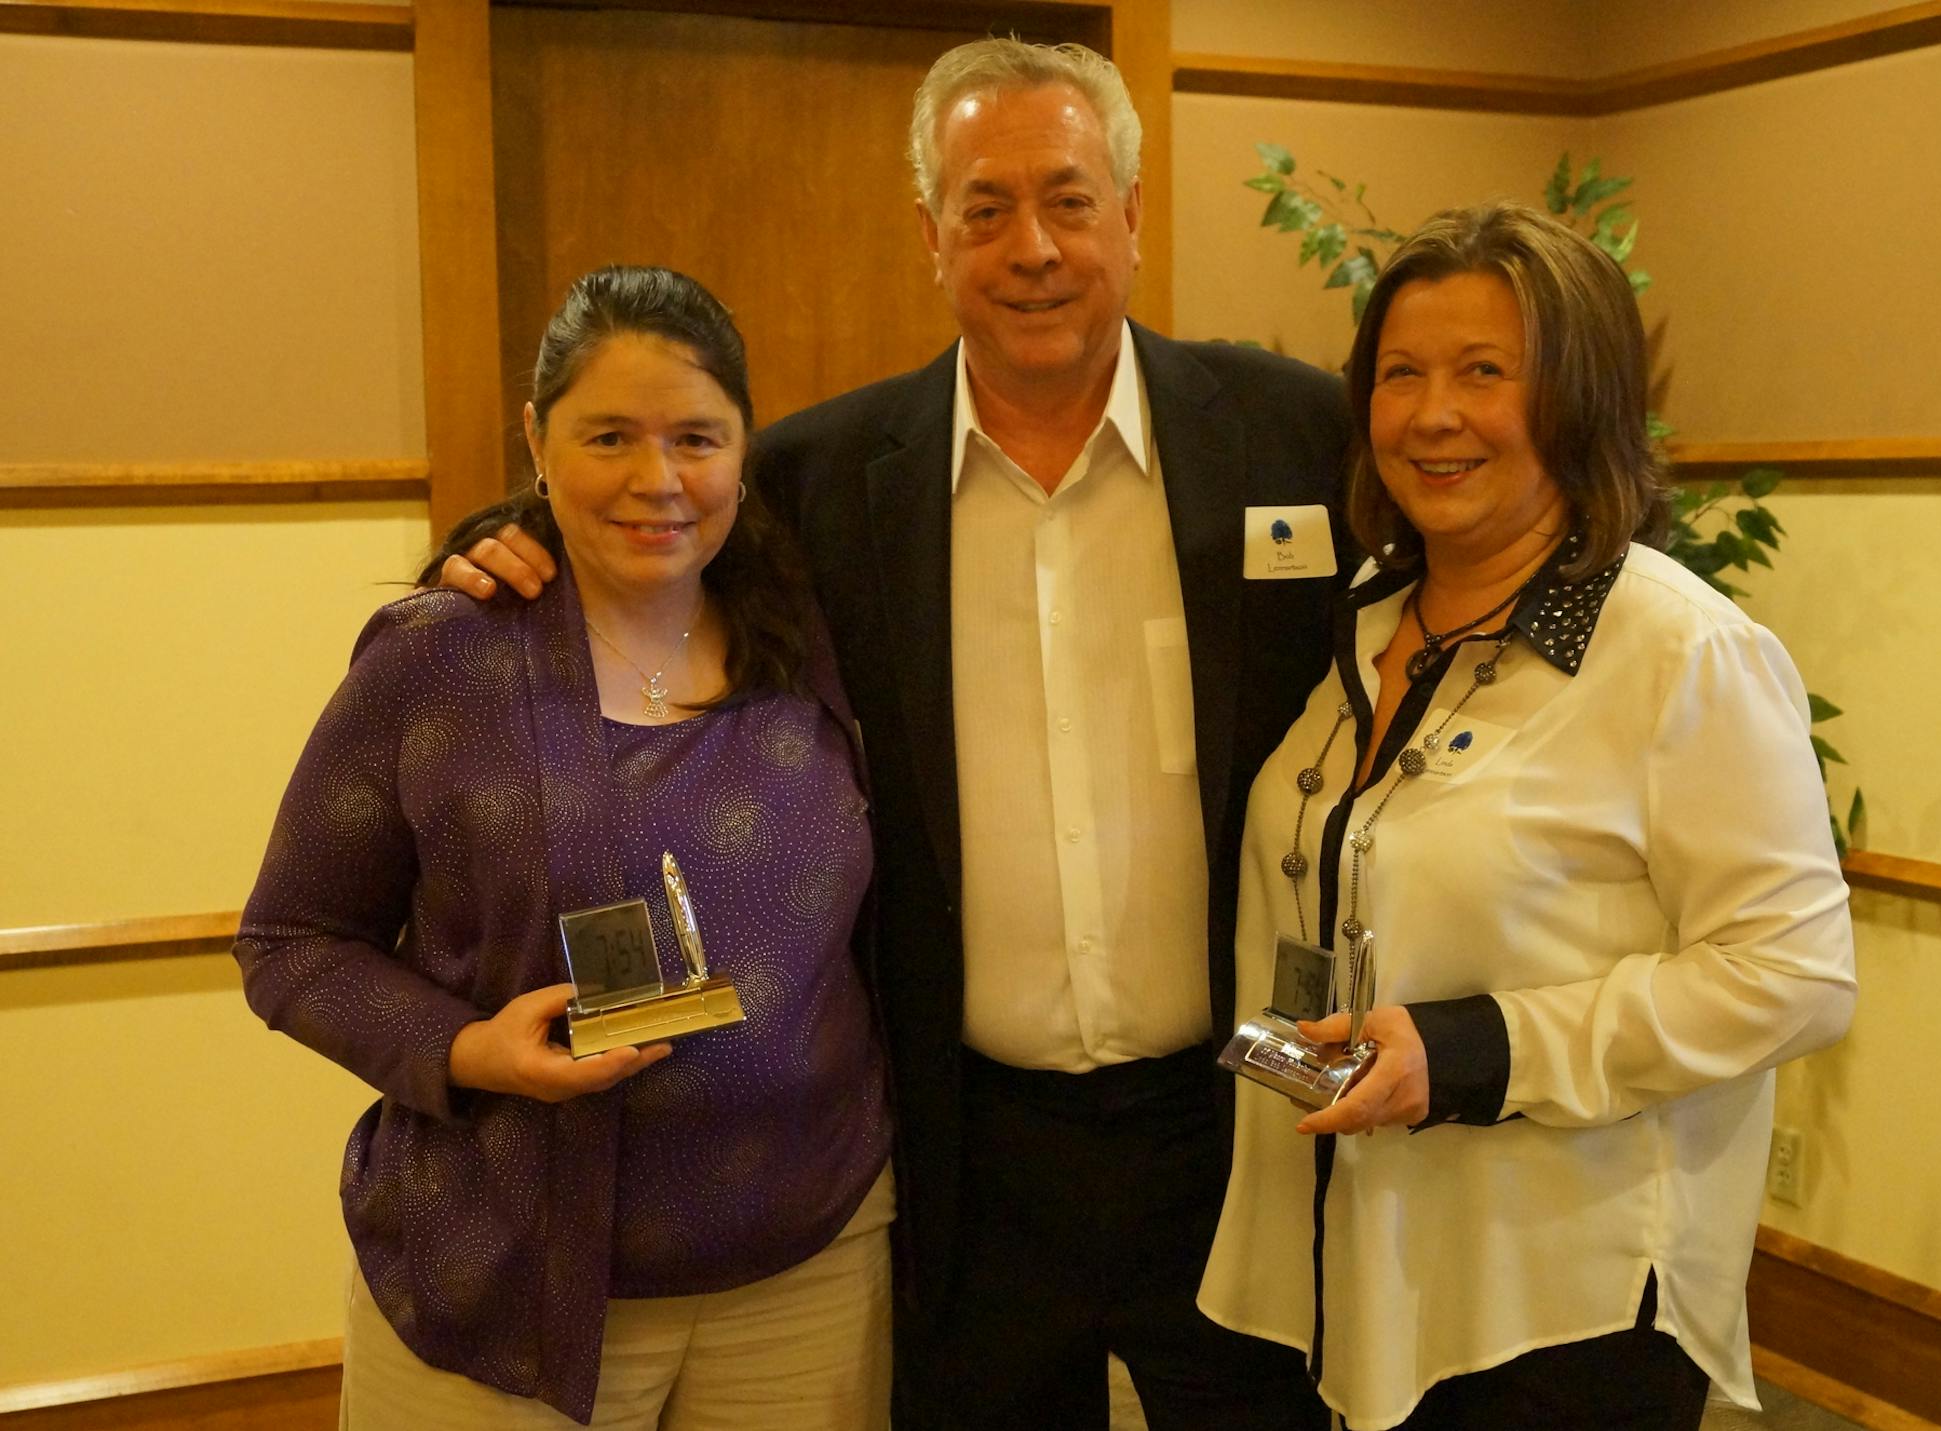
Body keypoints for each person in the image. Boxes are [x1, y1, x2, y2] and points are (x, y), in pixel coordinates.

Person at [438, 38, 1348, 1431]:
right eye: (985, 209)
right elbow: (643, 521)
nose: (1032, 246)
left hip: (1232, 1114)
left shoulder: (1290, 433)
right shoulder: (818, 478)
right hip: (958, 1144)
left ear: (1135, 216)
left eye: (1069, 199)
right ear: (931, 236)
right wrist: (500, 538)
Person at [1195, 202, 1858, 1430]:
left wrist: (1483, 1048)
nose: (1433, 414)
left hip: (1562, 1294)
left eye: (1484, 373)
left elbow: (1796, 975)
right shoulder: (1371, 615)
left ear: (1579, 400)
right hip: (1368, 1252)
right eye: (1401, 374)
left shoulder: (1677, 650)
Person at [237, 266, 893, 1429]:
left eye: (697, 437)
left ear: (747, 448)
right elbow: (292, 940)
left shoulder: (814, 628)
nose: (658, 481)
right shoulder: (440, 658)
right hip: (503, 1280)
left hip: (809, 1270)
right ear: (537, 439)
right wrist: (468, 1050)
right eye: (609, 437)